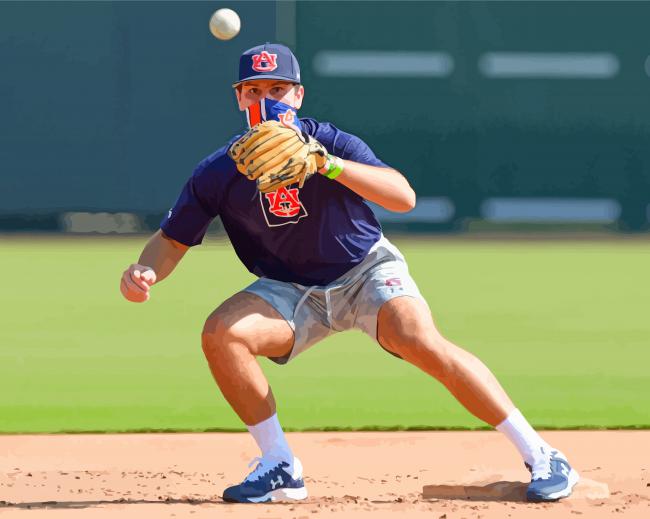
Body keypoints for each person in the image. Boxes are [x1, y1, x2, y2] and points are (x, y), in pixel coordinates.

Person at [119, 43, 579, 504]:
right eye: (255, 89)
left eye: (278, 88)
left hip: (363, 269)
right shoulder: (221, 170)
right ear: (239, 97)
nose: (267, 99)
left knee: (418, 338)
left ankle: (543, 454)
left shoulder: (331, 142)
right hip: (289, 289)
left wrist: (328, 164)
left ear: (298, 95)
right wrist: (145, 271)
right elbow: (172, 240)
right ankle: (279, 465)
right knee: (222, 334)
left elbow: (402, 196)